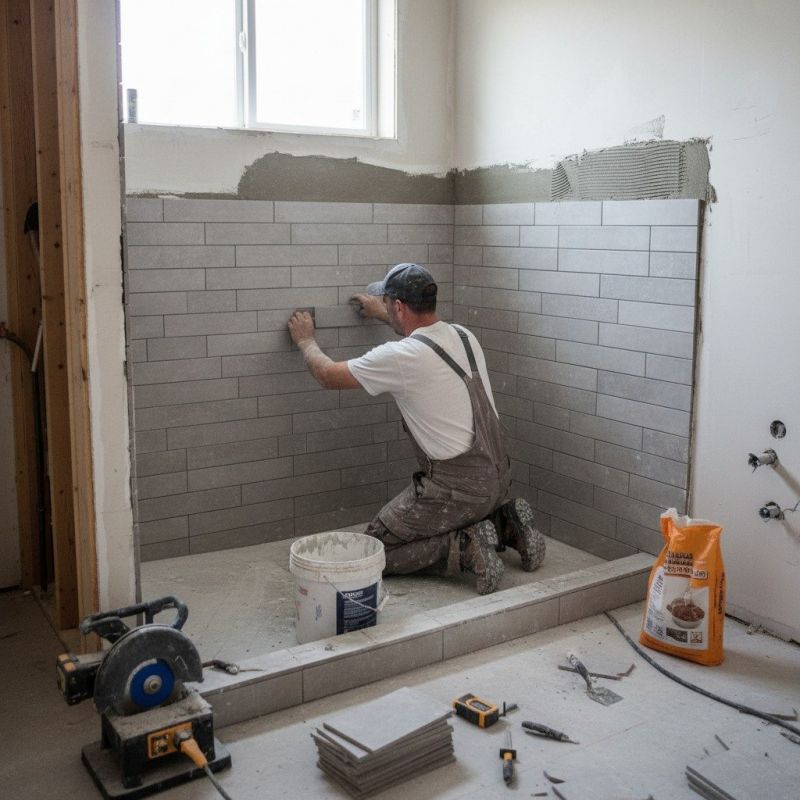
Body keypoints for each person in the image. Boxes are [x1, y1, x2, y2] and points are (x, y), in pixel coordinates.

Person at [287, 262, 544, 594]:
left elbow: (328, 375)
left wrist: (306, 340)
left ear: (399, 307)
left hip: (458, 489)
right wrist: (382, 313)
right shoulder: (464, 336)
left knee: (378, 549)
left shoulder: (401, 357)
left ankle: (465, 549)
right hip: (497, 477)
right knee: (462, 508)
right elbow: (422, 336)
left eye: (389, 305)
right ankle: (506, 523)